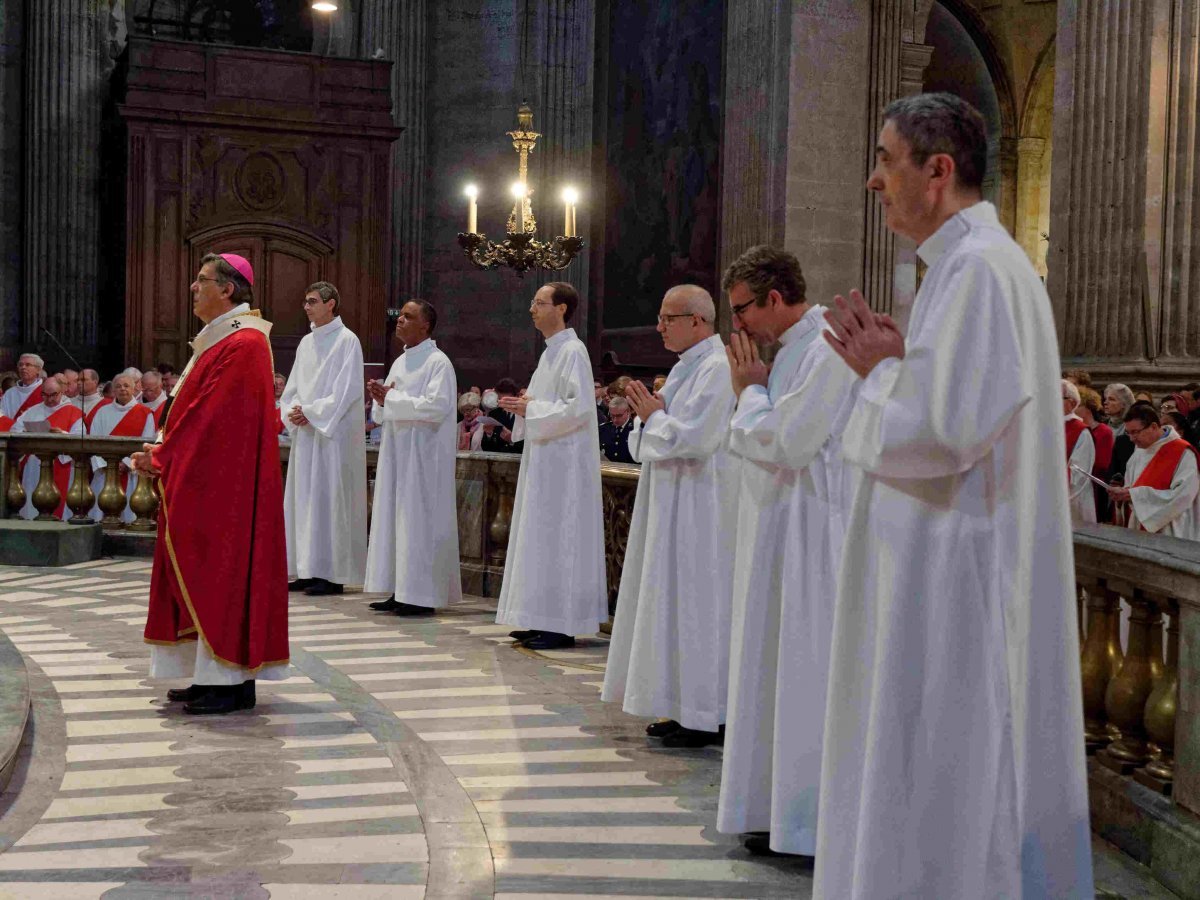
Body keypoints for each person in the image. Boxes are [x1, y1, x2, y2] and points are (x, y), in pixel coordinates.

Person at [818, 93, 1092, 897]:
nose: (873, 180)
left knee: (953, 768)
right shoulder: (964, 267)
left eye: (884, 159)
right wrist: (902, 366)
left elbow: (937, 434)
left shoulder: (977, 269)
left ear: (937, 171)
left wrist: (881, 373)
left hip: (959, 578)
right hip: (944, 565)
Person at [714, 246, 859, 857]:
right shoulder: (797, 348)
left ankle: (805, 822)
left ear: (775, 297)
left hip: (813, 531)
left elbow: (792, 440)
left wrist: (748, 392)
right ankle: (773, 808)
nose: (738, 324)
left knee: (803, 669)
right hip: (782, 524)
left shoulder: (826, 346)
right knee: (773, 666)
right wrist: (754, 394)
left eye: (743, 309)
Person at [132, 252, 289, 716]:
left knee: (218, 573)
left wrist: (161, 455)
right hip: (208, 478)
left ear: (229, 289)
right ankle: (212, 677)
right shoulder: (218, 341)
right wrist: (162, 451)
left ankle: (229, 682)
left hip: (225, 486)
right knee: (202, 573)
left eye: (201, 281)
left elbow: (212, 420)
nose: (192, 288)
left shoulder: (244, 344)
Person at [601, 284, 736, 748]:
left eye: (667, 318)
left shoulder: (717, 370)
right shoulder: (683, 370)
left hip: (702, 506)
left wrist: (655, 418)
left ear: (697, 321)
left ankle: (707, 711)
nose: (658, 327)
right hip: (671, 501)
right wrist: (651, 419)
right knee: (671, 604)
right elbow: (645, 444)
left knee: (698, 606)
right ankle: (681, 704)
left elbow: (695, 439)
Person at [495, 282, 606, 650]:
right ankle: (538, 616)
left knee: (560, 539)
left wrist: (533, 409)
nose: (532, 309)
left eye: (540, 303)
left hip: (564, 467)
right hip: (545, 461)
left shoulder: (573, 351)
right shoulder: (549, 354)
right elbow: (549, 404)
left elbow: (579, 409)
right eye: (532, 302)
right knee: (540, 538)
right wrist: (527, 404)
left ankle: (561, 623)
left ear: (561, 309)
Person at [364, 300, 461, 615]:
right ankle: (400, 588)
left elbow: (436, 407)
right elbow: (383, 414)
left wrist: (390, 397)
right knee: (398, 522)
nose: (400, 320)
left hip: (424, 457)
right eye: (399, 315)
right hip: (398, 452)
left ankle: (421, 595)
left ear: (426, 326)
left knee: (419, 523)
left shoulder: (438, 362)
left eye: (409, 316)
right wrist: (380, 400)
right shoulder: (400, 363)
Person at [280, 281, 368, 598]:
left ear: (331, 304)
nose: (306, 306)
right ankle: (307, 569)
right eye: (305, 301)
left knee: (330, 502)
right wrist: (292, 411)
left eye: (312, 301)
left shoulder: (347, 341)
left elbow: (346, 392)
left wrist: (312, 412)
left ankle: (332, 574)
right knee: (305, 502)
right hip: (307, 436)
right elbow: (290, 390)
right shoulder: (306, 343)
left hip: (333, 438)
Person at [1108, 404, 1200, 538]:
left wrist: (1134, 495)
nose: (1131, 439)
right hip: (1138, 523)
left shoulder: (1182, 452)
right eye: (1128, 433)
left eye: (1135, 432)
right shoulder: (1139, 451)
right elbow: (1131, 486)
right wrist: (1122, 495)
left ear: (1153, 427)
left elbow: (1183, 495)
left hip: (1171, 526)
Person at [12, 376, 83, 519]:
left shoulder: (74, 412)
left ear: (62, 391)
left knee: (60, 508)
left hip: (61, 465)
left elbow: (80, 439)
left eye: (53, 395)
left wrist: (62, 434)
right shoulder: (32, 411)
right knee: (32, 509)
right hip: (34, 466)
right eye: (45, 395)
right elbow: (15, 431)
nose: (49, 399)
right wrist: (26, 434)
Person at [88, 373, 157, 523]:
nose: (122, 389)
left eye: (126, 386)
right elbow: (94, 442)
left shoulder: (145, 414)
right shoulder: (102, 412)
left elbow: (145, 444)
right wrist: (107, 465)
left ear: (134, 389)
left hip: (131, 474)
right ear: (113, 390)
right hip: (104, 472)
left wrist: (126, 464)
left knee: (128, 517)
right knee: (100, 517)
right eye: (118, 386)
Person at [1063, 379, 1097, 525]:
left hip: (1071, 501)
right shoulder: (1045, 426)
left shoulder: (1080, 431)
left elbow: (1079, 472)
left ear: (1071, 403)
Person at [1078, 386, 1114, 522]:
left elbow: (1102, 463)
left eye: (1078, 405)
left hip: (1094, 487)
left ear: (1087, 408)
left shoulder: (1104, 431)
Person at [479, 377, 521, 453]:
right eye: (500, 400)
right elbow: (485, 447)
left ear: (516, 397)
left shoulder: (523, 415)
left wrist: (512, 440)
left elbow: (530, 446)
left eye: (507, 400)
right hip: (497, 462)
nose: (503, 403)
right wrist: (489, 434)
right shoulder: (494, 413)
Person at [1, 353, 46, 422]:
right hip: (12, 431)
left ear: (38, 370)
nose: (23, 367)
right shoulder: (9, 393)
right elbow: (2, 416)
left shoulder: (47, 392)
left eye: (28, 365)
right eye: (20, 365)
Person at [598, 396, 637, 463]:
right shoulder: (603, 429)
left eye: (619, 415)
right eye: (612, 416)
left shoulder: (636, 430)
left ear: (628, 412)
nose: (615, 420)